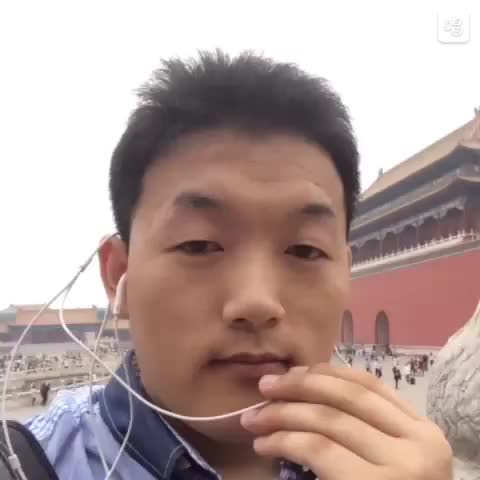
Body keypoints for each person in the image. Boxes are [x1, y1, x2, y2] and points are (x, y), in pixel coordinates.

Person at [25, 50, 452, 480]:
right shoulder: (26, 465)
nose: (257, 302)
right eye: (198, 245)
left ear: (346, 274)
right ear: (119, 275)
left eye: (305, 251)